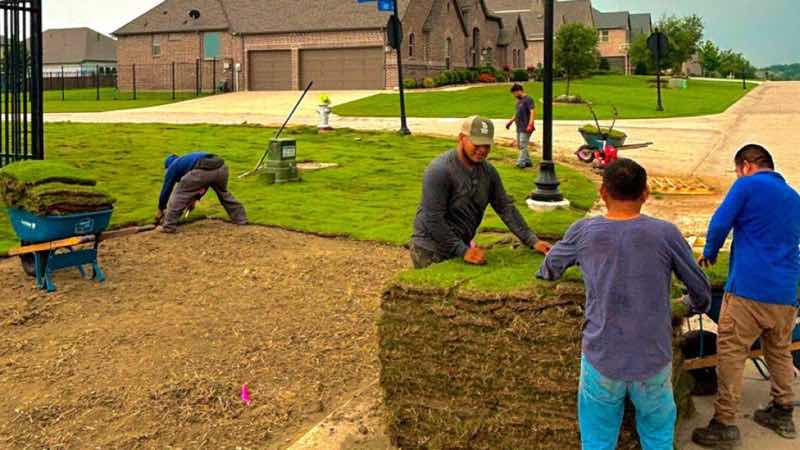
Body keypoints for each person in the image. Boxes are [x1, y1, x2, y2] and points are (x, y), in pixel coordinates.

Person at [537, 158, 711, 450]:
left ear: (603, 192)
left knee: (597, 441)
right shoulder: (665, 233)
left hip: (602, 356)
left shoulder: (584, 231)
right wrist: (686, 305)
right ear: (645, 193)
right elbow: (702, 293)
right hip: (652, 357)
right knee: (657, 439)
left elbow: (549, 268)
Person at [692, 144, 800, 447]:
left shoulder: (747, 185)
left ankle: (724, 423)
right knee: (779, 351)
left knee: (732, 353)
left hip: (748, 292)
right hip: (786, 293)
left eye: (737, 169)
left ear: (747, 165)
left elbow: (720, 222)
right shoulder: (794, 197)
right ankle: (782, 411)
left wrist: (710, 253)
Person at [410, 115, 552, 269]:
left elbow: (505, 207)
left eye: (487, 145)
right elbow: (433, 218)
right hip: (430, 247)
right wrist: (463, 251)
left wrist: (532, 240)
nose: (482, 150)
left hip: (460, 244)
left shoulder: (489, 172)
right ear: (461, 138)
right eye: (477, 143)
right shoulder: (439, 170)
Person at [155, 152, 247, 233]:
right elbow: (204, 184)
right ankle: (240, 219)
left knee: (179, 194)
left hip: (204, 170)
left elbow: (166, 190)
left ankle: (168, 226)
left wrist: (160, 208)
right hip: (222, 168)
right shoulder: (185, 161)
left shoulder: (172, 167)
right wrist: (195, 199)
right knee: (224, 194)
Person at [505, 83, 536, 169]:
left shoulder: (528, 99)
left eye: (514, 93)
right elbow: (516, 113)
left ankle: (520, 163)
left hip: (526, 126)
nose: (514, 95)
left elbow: (532, 112)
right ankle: (528, 161)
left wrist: (530, 124)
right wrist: (510, 122)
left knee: (522, 145)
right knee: (521, 145)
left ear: (519, 91)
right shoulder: (518, 102)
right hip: (519, 127)